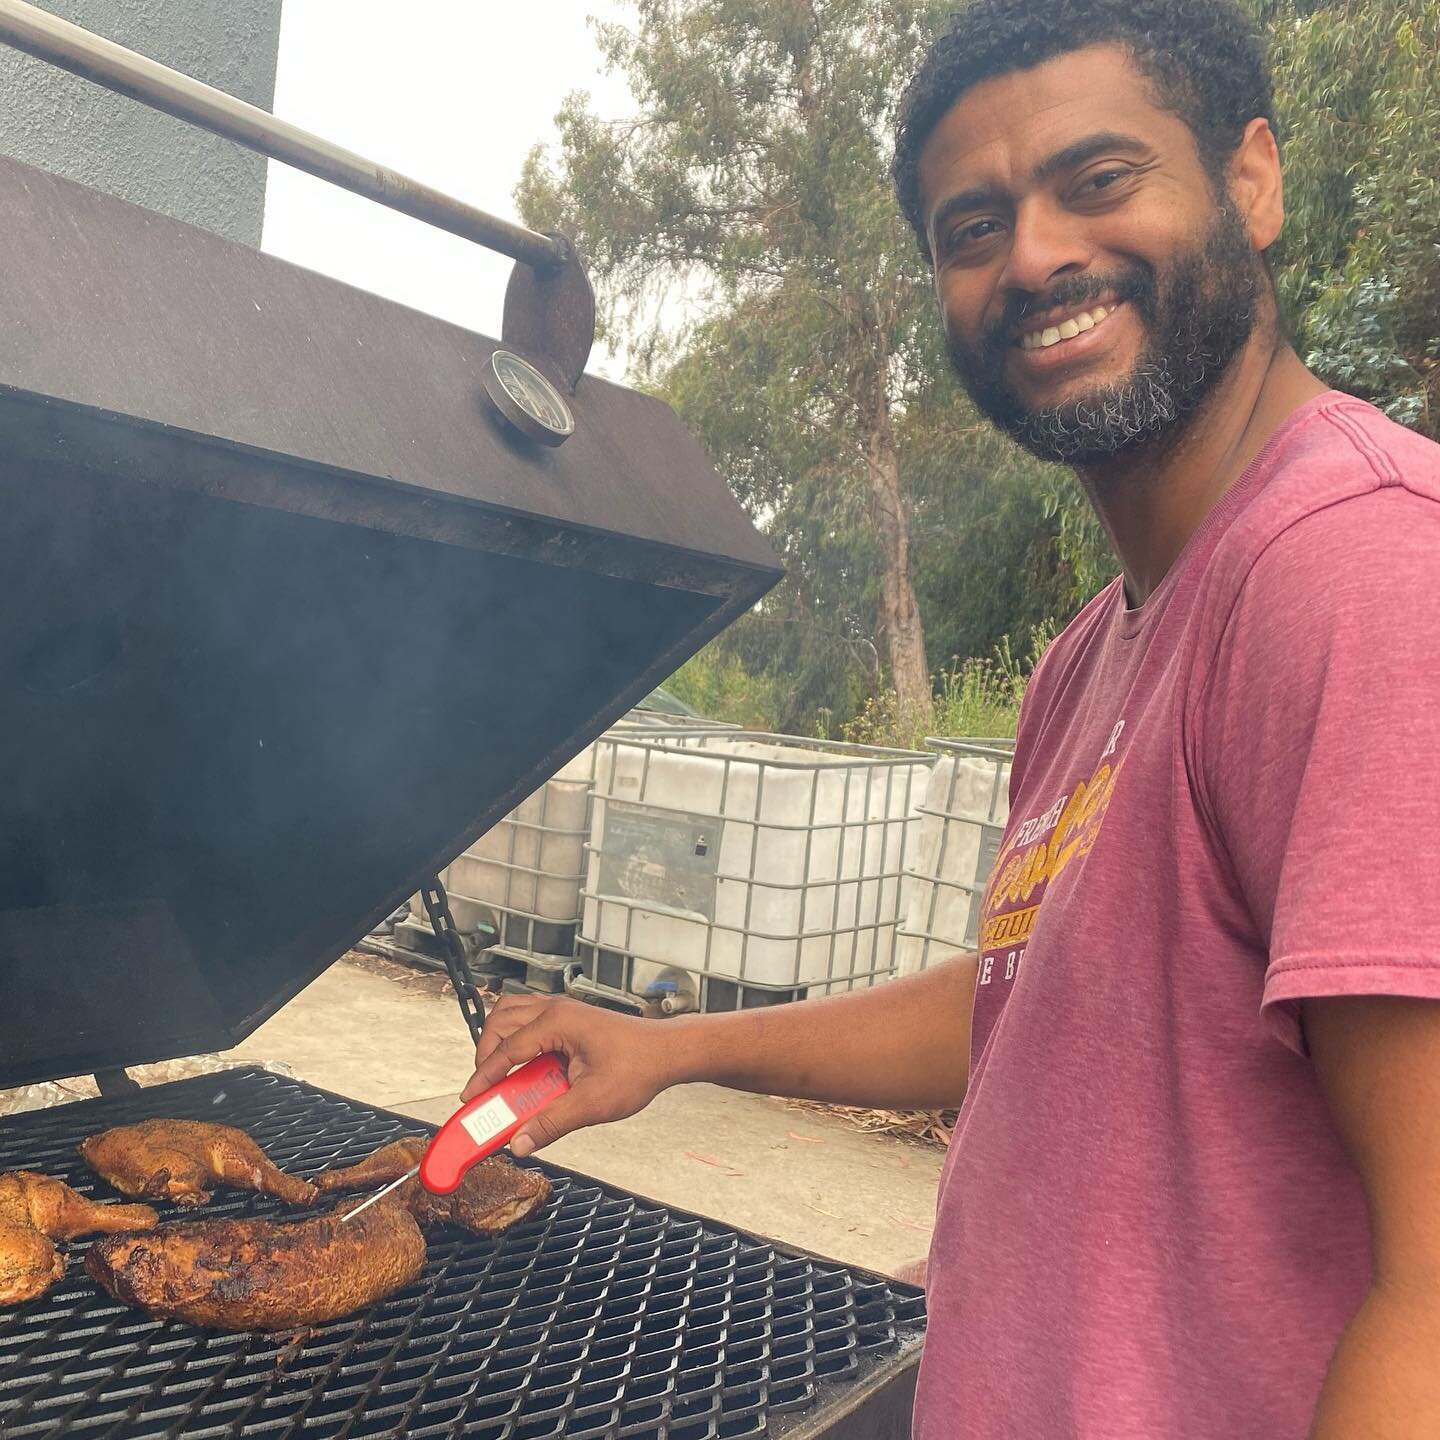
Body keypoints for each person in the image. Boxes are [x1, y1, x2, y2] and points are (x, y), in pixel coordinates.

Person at [463, 1, 1440, 1433]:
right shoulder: (1088, 660)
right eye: (973, 228)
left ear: (1252, 180)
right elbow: (1035, 1005)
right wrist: (671, 1048)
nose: (1035, 255)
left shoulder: (1357, 572)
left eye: (1097, 183)